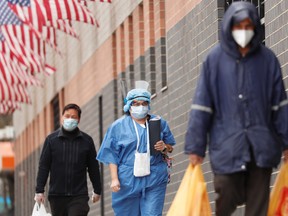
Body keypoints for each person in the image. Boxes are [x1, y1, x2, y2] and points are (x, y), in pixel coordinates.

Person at [184, 2, 288, 216]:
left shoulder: (267, 60)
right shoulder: (214, 60)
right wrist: (195, 147)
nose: (244, 31)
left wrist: (287, 142)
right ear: (229, 27)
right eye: (238, 26)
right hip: (227, 146)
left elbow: (280, 106)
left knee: (258, 207)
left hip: (261, 146)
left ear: (255, 27)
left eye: (248, 26)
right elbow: (202, 107)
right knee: (225, 195)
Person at [96, 81, 176, 216]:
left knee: (152, 214)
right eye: (136, 103)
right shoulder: (118, 126)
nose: (141, 106)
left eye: (144, 103)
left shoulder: (158, 122)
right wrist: (114, 178)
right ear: (129, 105)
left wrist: (164, 147)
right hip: (127, 179)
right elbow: (111, 155)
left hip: (154, 176)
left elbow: (170, 147)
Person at [34, 103, 102, 216]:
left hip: (79, 196)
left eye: (73, 117)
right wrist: (39, 190)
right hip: (57, 196)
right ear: (62, 118)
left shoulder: (87, 141)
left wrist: (97, 189)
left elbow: (93, 167)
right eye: (67, 116)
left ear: (79, 119)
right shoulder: (51, 140)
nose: (70, 119)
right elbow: (44, 166)